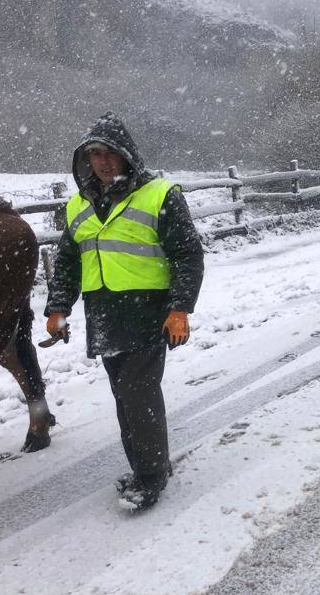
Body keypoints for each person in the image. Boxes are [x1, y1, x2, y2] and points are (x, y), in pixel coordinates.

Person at [44, 112, 204, 510]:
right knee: (125, 396)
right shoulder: (80, 205)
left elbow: (187, 255)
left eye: (110, 152)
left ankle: (150, 477)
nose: (102, 161)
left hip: (149, 314)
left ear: (126, 154)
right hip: (105, 316)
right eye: (94, 154)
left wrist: (180, 308)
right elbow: (67, 261)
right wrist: (59, 307)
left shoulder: (159, 195)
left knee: (138, 395)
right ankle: (147, 466)